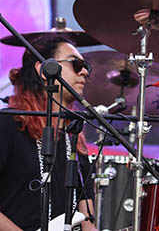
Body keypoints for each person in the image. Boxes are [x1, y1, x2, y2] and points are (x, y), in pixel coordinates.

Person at [0, 35, 97, 231]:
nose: (84, 72)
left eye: (85, 65)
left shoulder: (74, 136)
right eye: (76, 64)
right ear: (44, 70)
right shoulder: (8, 124)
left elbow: (86, 217)